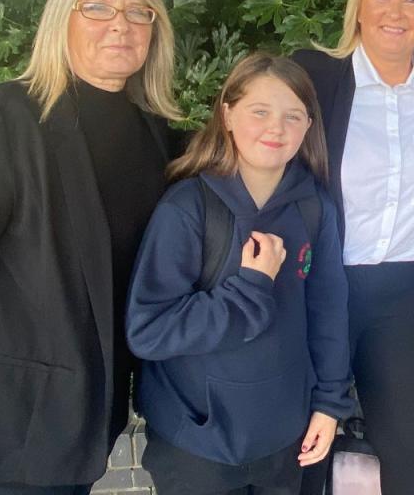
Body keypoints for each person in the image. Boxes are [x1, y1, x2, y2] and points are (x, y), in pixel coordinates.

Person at [0, 0, 182, 494]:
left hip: (87, 426)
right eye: (98, 8)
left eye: (140, 11)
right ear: (62, 17)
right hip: (0, 426)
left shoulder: (155, 137)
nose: (121, 25)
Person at [124, 53, 353, 495]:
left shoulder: (313, 208)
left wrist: (329, 403)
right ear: (227, 115)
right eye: (260, 111)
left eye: (293, 116)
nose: (276, 128)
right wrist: (249, 288)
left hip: (286, 442)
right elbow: (148, 331)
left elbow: (329, 314)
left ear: (309, 126)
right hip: (196, 445)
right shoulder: (187, 208)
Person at [292, 0, 414, 495]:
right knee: (301, 444)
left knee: (411, 452)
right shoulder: (315, 77)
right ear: (360, 8)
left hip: (405, 295)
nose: (396, 11)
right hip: (316, 289)